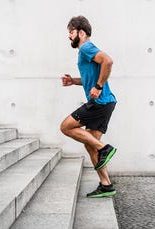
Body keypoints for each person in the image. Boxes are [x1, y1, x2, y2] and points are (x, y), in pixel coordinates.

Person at [60, 16, 117, 198]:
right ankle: (106, 185)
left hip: (100, 103)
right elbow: (89, 77)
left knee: (66, 126)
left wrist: (99, 87)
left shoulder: (86, 47)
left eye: (71, 31)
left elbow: (107, 61)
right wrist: (74, 81)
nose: (69, 36)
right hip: (106, 103)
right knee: (90, 144)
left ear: (81, 33)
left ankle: (105, 148)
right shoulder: (84, 52)